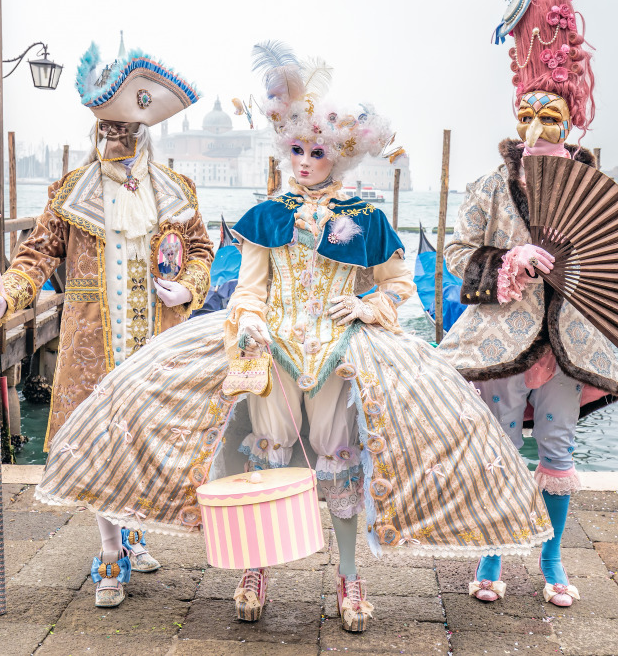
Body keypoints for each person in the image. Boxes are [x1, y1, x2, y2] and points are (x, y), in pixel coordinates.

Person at [33, 42, 555, 634]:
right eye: (297, 150)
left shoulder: (365, 216)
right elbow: (249, 287)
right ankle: (255, 567)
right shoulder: (268, 213)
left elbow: (399, 285)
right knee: (267, 454)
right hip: (272, 348)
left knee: (340, 464)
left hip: (340, 350)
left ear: (337, 156)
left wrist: (365, 304)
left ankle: (349, 575)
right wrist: (250, 317)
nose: (304, 161)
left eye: (316, 152)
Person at [438, 0, 618, 608]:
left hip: (567, 345)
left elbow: (612, 264)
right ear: (516, 117)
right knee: (501, 448)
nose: (535, 126)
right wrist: (510, 260)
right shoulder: (488, 187)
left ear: (569, 118)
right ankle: (492, 551)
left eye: (549, 116)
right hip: (503, 337)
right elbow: (456, 257)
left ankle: (552, 557)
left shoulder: (593, 185)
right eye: (526, 115)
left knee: (558, 449)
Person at [0, 41, 213, 608]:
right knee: (99, 442)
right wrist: (3, 297)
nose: (115, 140)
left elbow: (201, 248)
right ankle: (110, 553)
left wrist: (188, 286)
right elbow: (35, 257)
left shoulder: (175, 192)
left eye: (125, 131)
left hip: (156, 339)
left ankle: (135, 531)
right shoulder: (69, 195)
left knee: (147, 440)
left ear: (144, 134)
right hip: (90, 343)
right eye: (107, 130)